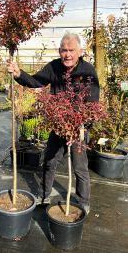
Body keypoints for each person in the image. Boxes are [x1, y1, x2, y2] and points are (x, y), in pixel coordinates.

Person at [7, 31, 99, 214]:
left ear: (80, 51)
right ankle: (44, 195)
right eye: (64, 50)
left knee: (80, 168)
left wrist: (83, 126)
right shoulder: (53, 67)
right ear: (59, 51)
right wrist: (19, 74)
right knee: (49, 162)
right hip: (58, 127)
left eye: (71, 50)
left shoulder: (88, 71)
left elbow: (93, 104)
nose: (67, 54)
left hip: (78, 128)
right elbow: (36, 81)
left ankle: (83, 201)